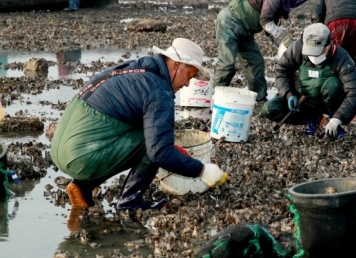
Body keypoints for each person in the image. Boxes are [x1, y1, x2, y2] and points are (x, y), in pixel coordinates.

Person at [51, 38, 229, 211]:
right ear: (176, 65)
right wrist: (202, 171)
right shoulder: (159, 91)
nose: (187, 84)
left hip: (61, 148)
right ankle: (130, 202)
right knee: (153, 146)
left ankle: (83, 186)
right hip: (80, 156)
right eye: (189, 76)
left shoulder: (135, 69)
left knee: (150, 136)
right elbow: (159, 151)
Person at [214, 0, 312, 104]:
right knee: (227, 64)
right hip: (229, 23)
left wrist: (285, 49)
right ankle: (217, 99)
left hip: (246, 31)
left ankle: (259, 98)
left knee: (256, 63)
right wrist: (285, 38)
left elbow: (270, 33)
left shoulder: (279, 4)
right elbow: (265, 22)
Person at [260, 23, 356, 140]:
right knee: (269, 109)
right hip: (305, 100)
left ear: (328, 45)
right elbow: (282, 70)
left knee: (333, 85)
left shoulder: (342, 58)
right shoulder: (297, 48)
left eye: (318, 52)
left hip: (330, 103)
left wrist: (337, 118)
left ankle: (332, 122)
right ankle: (312, 119)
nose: (314, 57)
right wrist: (288, 94)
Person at [312, 0, 356, 92]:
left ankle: (337, 90)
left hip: (338, 24)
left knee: (336, 59)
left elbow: (316, 17)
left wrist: (320, 39)